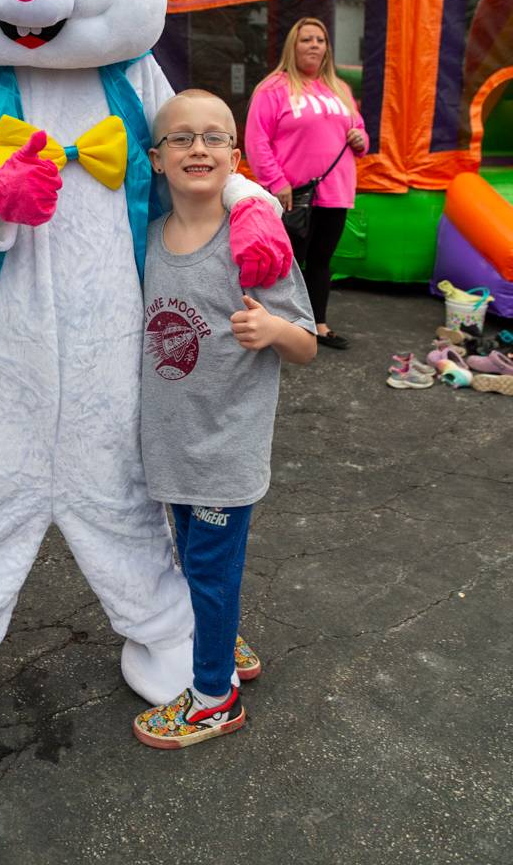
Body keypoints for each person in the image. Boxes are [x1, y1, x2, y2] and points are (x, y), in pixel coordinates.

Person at [132, 90, 317, 749]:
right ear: (156, 159)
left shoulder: (253, 244)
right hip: (171, 448)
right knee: (197, 565)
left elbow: (307, 343)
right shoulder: (149, 238)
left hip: (224, 452)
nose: (198, 148)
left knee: (209, 572)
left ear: (235, 156)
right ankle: (221, 634)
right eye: (180, 138)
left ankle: (215, 698)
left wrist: (271, 328)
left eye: (215, 137)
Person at [245, 17, 368, 350]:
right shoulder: (273, 88)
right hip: (293, 195)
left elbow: (359, 134)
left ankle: (318, 324)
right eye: (306, 40)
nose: (314, 45)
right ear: (293, 47)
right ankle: (274, 325)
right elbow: (257, 140)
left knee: (321, 261)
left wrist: (361, 138)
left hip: (336, 193)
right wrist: (276, 182)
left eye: (320, 40)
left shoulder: (340, 89)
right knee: (284, 261)